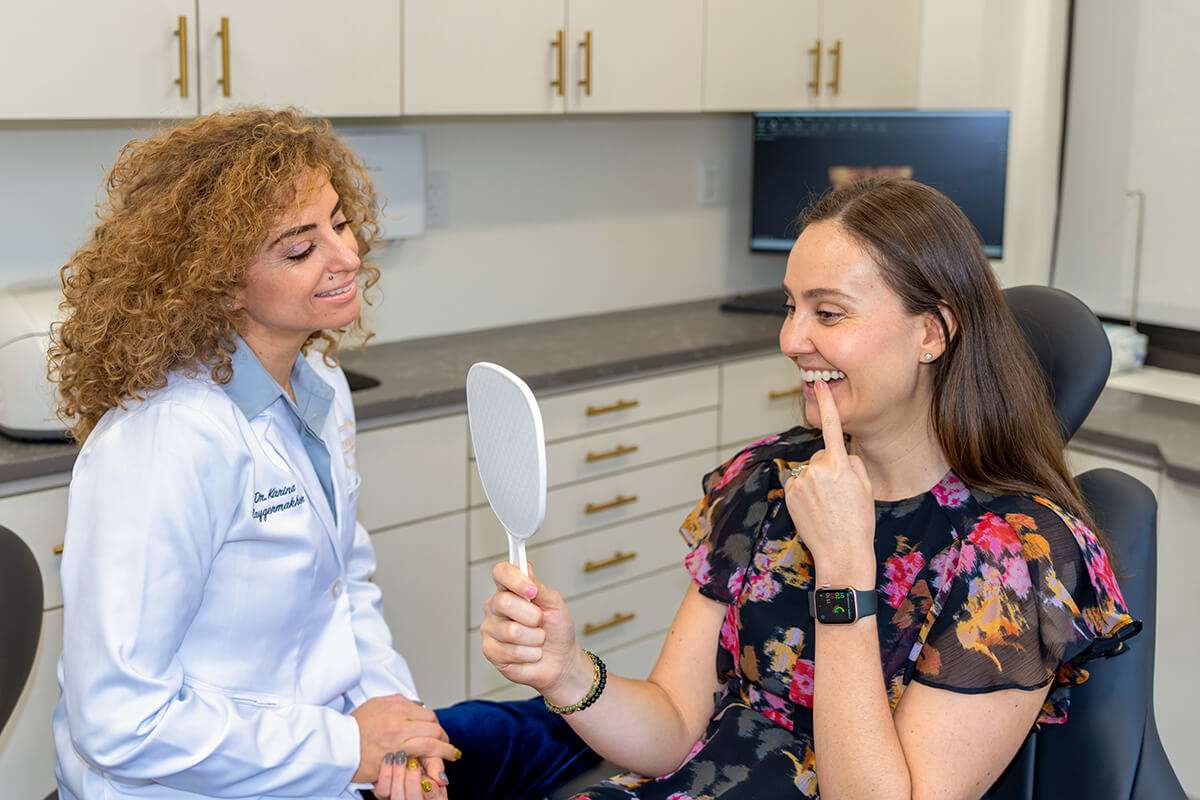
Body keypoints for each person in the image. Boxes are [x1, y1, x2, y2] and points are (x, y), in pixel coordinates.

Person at [481, 178, 1141, 799]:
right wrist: (567, 670)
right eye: (791, 307)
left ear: (931, 333)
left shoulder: (1014, 554)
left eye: (828, 312)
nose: (792, 339)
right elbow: (674, 730)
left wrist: (846, 569)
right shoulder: (768, 482)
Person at [47, 107, 597, 800]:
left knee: (575, 733)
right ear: (217, 282)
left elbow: (348, 590)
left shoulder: (320, 387)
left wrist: (403, 741)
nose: (347, 257)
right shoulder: (166, 444)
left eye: (338, 223)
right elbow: (121, 721)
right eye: (299, 249)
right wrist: (352, 750)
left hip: (329, 753)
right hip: (200, 784)